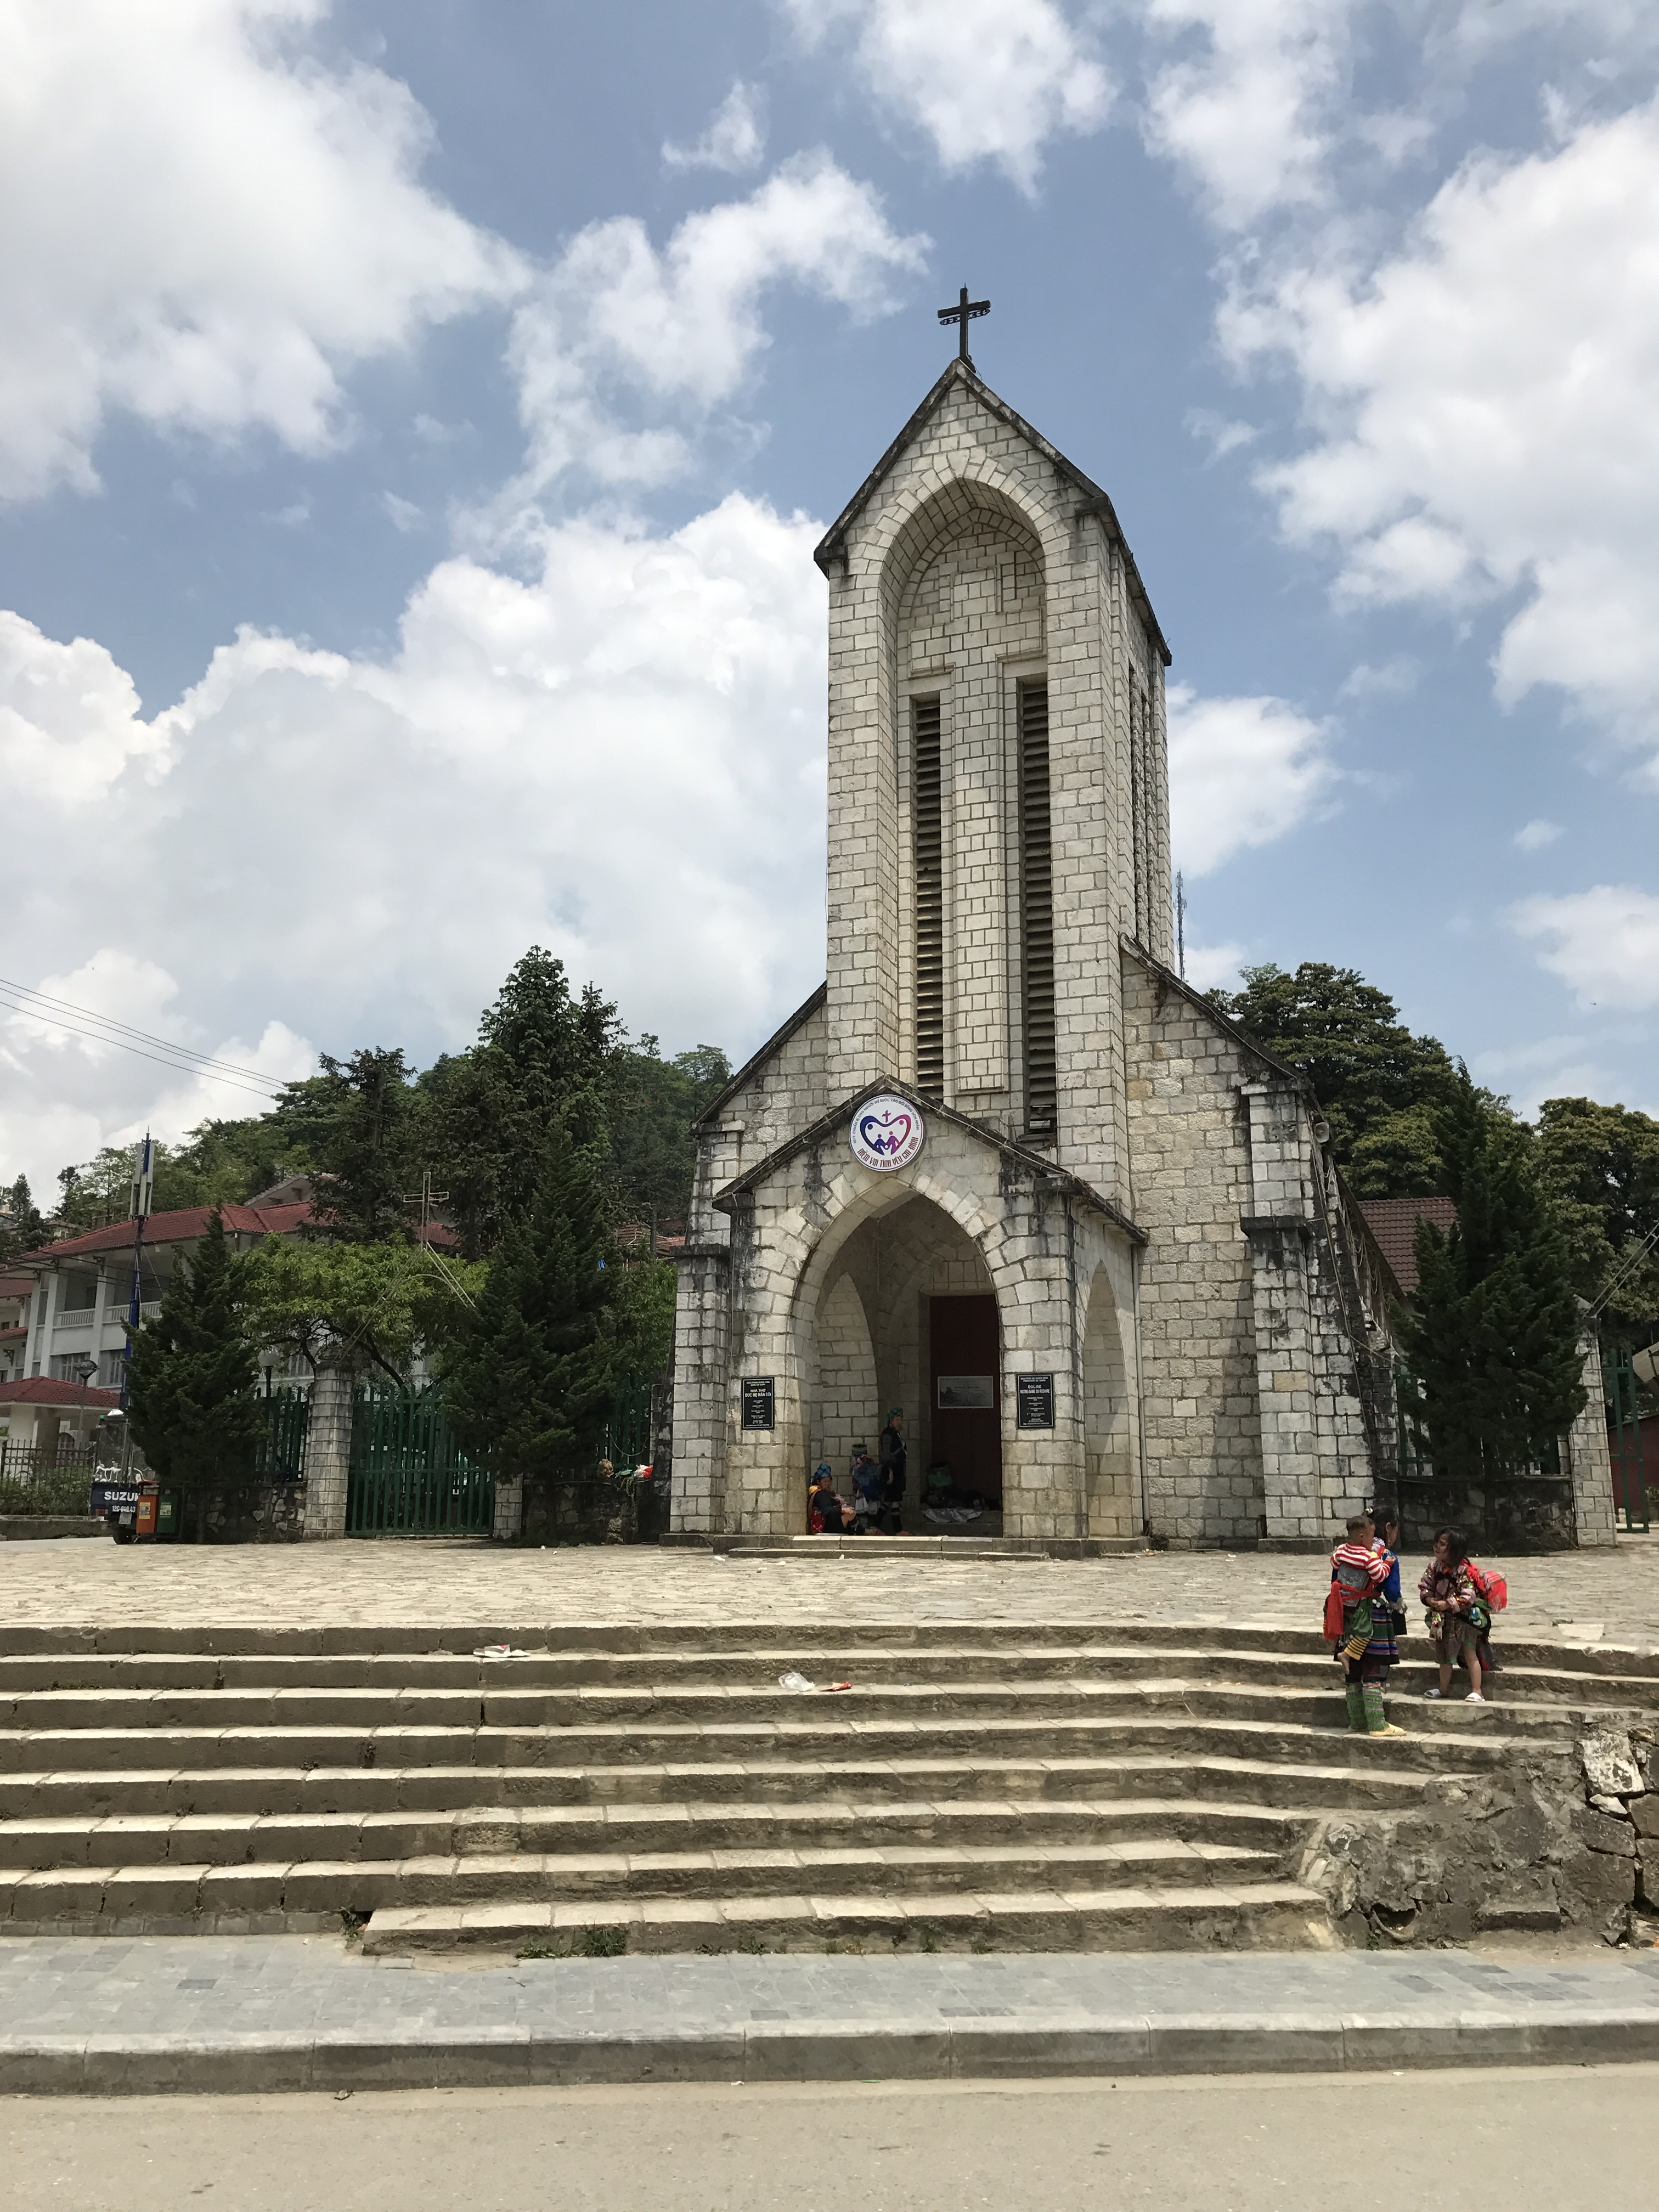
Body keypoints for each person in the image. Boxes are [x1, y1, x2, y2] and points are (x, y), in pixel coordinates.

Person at [1327, 1513, 1406, 1735]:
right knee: (1372, 1667)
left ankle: (1357, 1720)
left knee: (1352, 1670)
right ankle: (1377, 1724)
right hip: (1373, 1614)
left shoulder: (1343, 1551)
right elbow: (1391, 1591)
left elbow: (1335, 1576)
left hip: (1346, 1612)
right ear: (1388, 1528)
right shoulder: (1382, 1556)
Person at [1419, 1527, 1497, 1702]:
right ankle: (1444, 1689)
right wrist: (1429, 1600)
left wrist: (1447, 1603)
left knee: (1469, 1653)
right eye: (1437, 1542)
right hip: (1443, 1621)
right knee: (1445, 1656)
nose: (1437, 1547)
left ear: (1454, 1550)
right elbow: (1425, 1585)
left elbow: (1468, 1597)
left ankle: (1477, 1691)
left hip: (1464, 1620)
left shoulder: (1464, 1572)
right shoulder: (1434, 1568)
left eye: (1443, 1544)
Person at [877, 1407, 907, 1530]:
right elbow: (886, 1454)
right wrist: (890, 1471)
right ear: (891, 1420)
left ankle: (897, 1530)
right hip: (891, 1471)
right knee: (891, 1501)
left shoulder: (896, 1434)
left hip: (898, 1471)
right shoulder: (887, 1434)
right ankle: (877, 1526)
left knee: (893, 1501)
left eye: (900, 1420)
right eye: (897, 1420)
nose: (899, 1422)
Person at [808, 1464, 859, 1534]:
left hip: (829, 1523)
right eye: (825, 1481)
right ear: (819, 1482)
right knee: (849, 1514)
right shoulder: (820, 1494)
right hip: (824, 1527)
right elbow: (828, 1511)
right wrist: (843, 1510)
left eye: (829, 1481)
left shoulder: (828, 1494)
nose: (828, 1484)